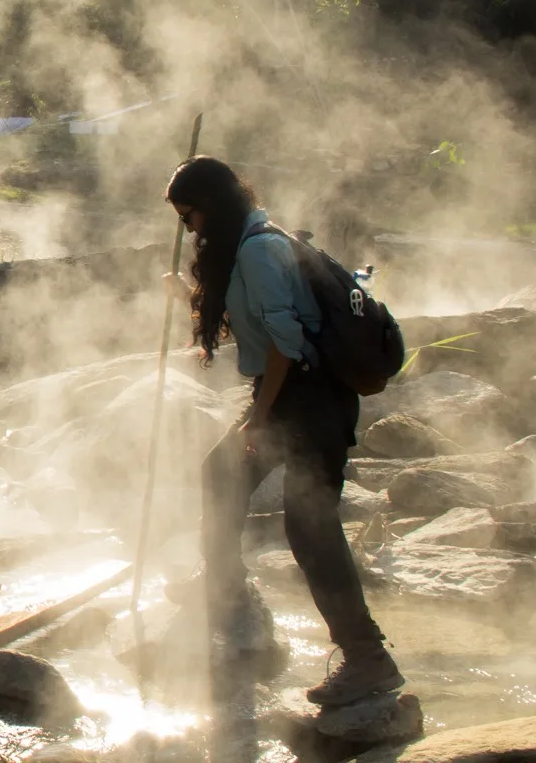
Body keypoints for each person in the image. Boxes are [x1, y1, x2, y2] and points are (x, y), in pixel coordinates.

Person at [160, 155, 405, 707]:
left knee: (310, 530)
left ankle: (368, 659)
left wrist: (260, 417)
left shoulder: (261, 248)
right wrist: (186, 296)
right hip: (293, 397)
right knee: (220, 475)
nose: (188, 228)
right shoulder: (247, 243)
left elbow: (284, 346)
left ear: (213, 206)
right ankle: (225, 590)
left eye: (189, 216)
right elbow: (248, 322)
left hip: (310, 402)